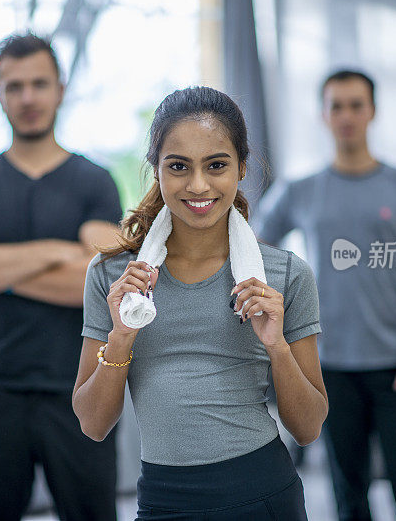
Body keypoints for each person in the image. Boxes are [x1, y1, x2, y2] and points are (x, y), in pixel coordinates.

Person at [73, 86, 328, 520]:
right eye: (178, 166)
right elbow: (93, 425)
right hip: (163, 498)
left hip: (263, 492)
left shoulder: (283, 276)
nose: (198, 185)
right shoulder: (115, 278)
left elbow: (307, 429)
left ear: (242, 167)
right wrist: (121, 338)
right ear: (157, 171)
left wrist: (277, 347)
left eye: (216, 166)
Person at [0, 33, 122, 520]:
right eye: (14, 86)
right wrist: (56, 253)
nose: (27, 98)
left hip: (78, 389)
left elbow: (101, 281)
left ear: (60, 89)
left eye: (39, 84)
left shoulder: (93, 182)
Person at [255, 69, 396, 521]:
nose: (347, 115)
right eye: (337, 106)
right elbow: (252, 247)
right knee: (346, 492)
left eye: (356, 105)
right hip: (328, 363)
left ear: (372, 111)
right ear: (324, 115)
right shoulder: (302, 190)